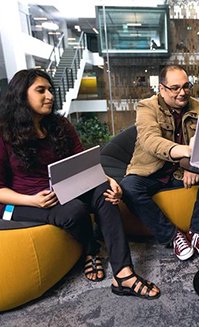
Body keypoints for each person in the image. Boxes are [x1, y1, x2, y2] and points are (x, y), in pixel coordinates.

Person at [0, 69, 160, 300]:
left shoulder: (60, 125)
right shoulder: (4, 133)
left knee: (104, 193)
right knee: (75, 210)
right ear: (21, 94)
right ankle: (91, 250)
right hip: (22, 201)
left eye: (51, 90)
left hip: (64, 189)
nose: (50, 96)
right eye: (41, 90)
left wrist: (110, 181)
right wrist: (31, 200)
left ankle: (123, 274)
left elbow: (86, 164)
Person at [120, 65, 199, 261]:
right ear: (161, 88)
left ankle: (198, 232)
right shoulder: (146, 107)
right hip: (151, 171)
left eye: (186, 86)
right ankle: (173, 236)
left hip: (181, 173)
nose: (182, 93)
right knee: (129, 188)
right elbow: (150, 141)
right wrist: (187, 155)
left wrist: (191, 164)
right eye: (175, 88)